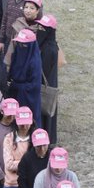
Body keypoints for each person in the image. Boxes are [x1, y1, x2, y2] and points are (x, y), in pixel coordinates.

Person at [34, 14, 61, 142]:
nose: (40, 29)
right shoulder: (50, 45)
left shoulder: (48, 49)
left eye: (43, 28)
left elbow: (41, 69)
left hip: (45, 86)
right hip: (48, 84)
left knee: (45, 112)